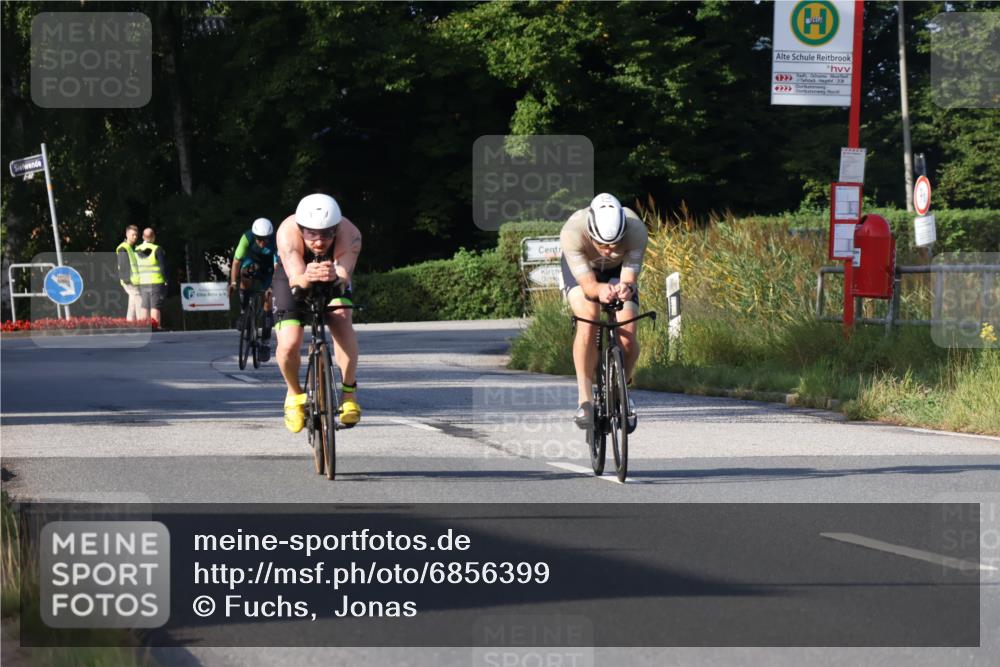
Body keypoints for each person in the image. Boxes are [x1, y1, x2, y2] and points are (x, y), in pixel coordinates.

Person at [273, 194, 362, 433]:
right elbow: (295, 278)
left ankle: (348, 394)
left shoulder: (350, 233)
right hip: (293, 277)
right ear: (301, 228)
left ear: (337, 228)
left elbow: (344, 276)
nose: (320, 242)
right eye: (312, 233)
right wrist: (307, 277)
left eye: (327, 233)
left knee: (342, 318)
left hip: (333, 276)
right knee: (289, 342)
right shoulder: (286, 232)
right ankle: (293, 395)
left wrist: (335, 277)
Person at [560, 193, 648, 433]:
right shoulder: (572, 231)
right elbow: (589, 286)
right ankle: (585, 400)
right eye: (602, 245)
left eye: (615, 244)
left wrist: (625, 288)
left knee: (628, 332)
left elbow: (629, 278)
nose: (609, 251)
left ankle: (621, 390)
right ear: (590, 232)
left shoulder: (636, 230)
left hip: (617, 273)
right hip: (584, 273)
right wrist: (600, 290)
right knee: (588, 318)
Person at [229, 217, 278, 345]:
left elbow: (278, 267)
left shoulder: (276, 240)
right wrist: (233, 283)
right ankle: (244, 311)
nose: (262, 243)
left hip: (269, 268)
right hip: (252, 262)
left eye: (265, 239)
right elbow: (236, 262)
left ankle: (266, 337)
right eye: (259, 239)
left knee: (268, 299)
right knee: (245, 274)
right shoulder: (247, 238)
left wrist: (272, 286)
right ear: (254, 236)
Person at [135, 227, 167, 324]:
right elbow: (163, 266)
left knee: (144, 306)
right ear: (153, 237)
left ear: (143, 237)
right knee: (155, 306)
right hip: (156, 282)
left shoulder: (136, 250)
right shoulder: (157, 249)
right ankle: (155, 327)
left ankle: (143, 327)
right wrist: (166, 280)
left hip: (143, 282)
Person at [115, 225, 140, 320]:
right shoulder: (123, 248)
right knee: (137, 299)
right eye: (133, 235)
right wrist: (126, 280)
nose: (135, 237)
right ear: (127, 234)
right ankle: (138, 321)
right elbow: (123, 264)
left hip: (133, 280)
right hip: (129, 280)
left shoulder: (133, 248)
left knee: (133, 301)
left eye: (136, 235)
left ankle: (130, 322)